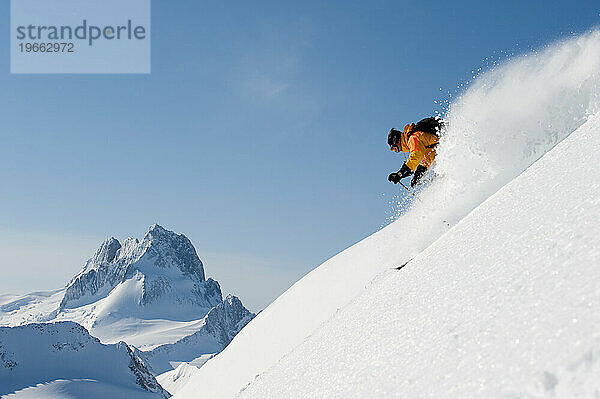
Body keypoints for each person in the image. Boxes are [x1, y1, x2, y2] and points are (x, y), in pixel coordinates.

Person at [387, 117, 441, 187]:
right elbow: (429, 157)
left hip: (447, 145)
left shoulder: (413, 138)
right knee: (438, 177)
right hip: (445, 146)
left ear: (397, 141)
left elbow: (416, 156)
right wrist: (417, 176)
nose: (399, 151)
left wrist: (400, 174)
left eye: (395, 149)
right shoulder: (416, 139)